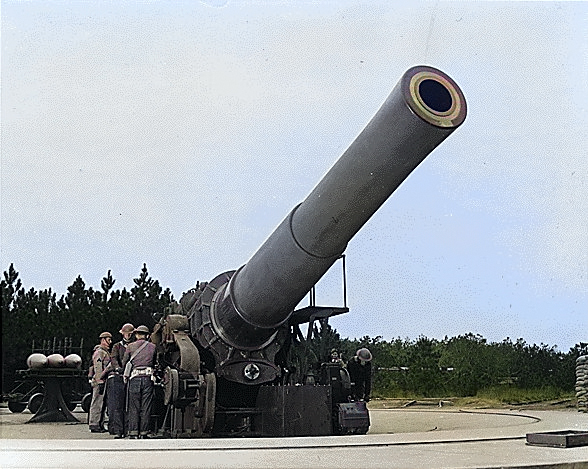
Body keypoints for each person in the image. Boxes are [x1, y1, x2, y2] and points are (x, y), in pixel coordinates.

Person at [122, 325, 157, 439]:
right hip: (147, 378)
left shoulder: (131, 346)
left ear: (136, 335)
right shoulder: (152, 347)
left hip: (135, 378)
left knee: (134, 406)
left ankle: (133, 431)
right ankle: (144, 432)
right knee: (146, 406)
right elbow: (156, 362)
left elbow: (124, 362)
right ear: (147, 335)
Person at [104, 323, 134, 438]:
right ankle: (118, 430)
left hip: (131, 376)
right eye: (126, 334)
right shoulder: (117, 346)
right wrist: (117, 368)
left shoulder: (134, 346)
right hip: (118, 377)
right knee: (117, 405)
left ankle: (127, 429)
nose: (127, 336)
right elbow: (113, 358)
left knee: (129, 405)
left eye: (130, 334)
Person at [88, 331, 112, 433]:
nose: (110, 342)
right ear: (103, 340)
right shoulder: (100, 352)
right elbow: (98, 368)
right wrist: (100, 381)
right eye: (108, 339)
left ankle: (99, 423)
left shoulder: (105, 352)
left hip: (103, 380)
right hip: (100, 381)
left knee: (101, 403)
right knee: (97, 402)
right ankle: (94, 424)